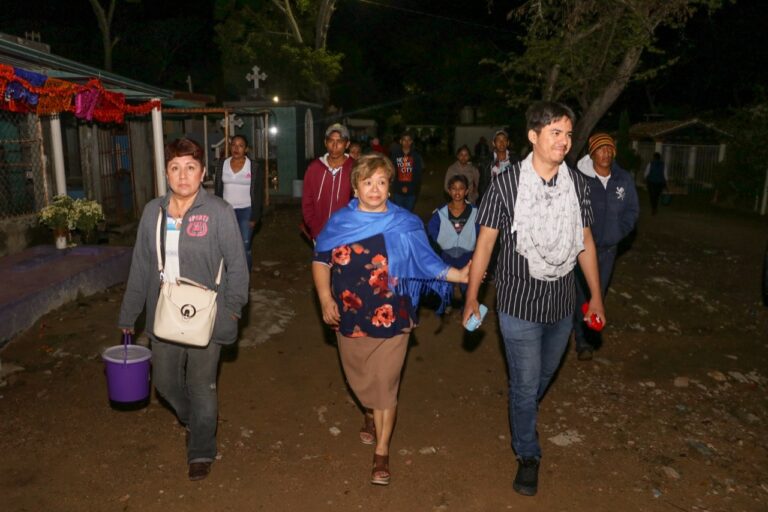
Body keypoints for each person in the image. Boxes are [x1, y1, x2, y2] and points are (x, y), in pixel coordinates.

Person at [462, 102, 605, 497]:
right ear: (533, 136)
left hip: (561, 304)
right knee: (526, 386)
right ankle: (528, 454)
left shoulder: (577, 185)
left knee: (540, 378)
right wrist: (472, 297)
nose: (564, 141)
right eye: (556, 133)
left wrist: (595, 296)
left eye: (568, 134)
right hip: (519, 304)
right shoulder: (506, 185)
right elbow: (485, 244)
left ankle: (520, 412)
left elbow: (585, 242)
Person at [312, 153, 470, 486]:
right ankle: (368, 410)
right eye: (367, 182)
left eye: (382, 182)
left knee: (385, 385)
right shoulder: (339, 223)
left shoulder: (405, 223)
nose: (375, 188)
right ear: (356, 187)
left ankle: (382, 450)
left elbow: (428, 263)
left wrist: (461, 274)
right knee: (360, 379)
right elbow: (321, 260)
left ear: (389, 187)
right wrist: (326, 298)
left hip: (393, 315)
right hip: (350, 315)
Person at [118, 138, 249, 481]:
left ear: (203, 172)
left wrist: (232, 311)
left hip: (208, 313)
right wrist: (129, 315)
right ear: (166, 173)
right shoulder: (153, 212)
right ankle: (196, 420)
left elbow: (238, 267)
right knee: (164, 383)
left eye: (190, 167)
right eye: (175, 168)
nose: (183, 175)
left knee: (201, 383)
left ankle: (201, 450)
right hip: (164, 312)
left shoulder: (218, 212)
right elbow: (141, 266)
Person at [572, 133, 639, 360]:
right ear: (592, 153)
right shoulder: (579, 179)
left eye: (609, 149)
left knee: (598, 292)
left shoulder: (623, 179)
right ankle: (583, 342)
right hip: (581, 249)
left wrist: (618, 233)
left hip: (608, 250)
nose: (606, 154)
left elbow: (632, 210)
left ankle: (591, 333)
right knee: (582, 293)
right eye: (601, 149)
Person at [214, 134, 264, 271]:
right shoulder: (222, 164)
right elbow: (217, 189)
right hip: (226, 211)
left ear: (246, 149)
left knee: (245, 245)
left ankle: (244, 276)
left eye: (240, 146)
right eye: (234, 145)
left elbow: (259, 192)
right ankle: (228, 274)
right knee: (225, 245)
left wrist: (255, 217)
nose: (236, 148)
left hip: (246, 211)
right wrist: (217, 211)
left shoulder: (253, 167)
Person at [428, 174, 479, 301]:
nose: (457, 192)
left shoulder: (474, 212)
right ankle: (446, 305)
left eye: (461, 188)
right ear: (449, 191)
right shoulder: (441, 212)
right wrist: (442, 241)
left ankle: (466, 308)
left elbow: (481, 230)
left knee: (468, 284)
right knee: (445, 281)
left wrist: (473, 241)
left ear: (467, 191)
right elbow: (431, 228)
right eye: (454, 188)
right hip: (447, 254)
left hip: (467, 255)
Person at [301, 123, 354, 240]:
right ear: (325, 142)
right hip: (320, 233)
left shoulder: (355, 169)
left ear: (347, 144)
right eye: (331, 141)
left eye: (339, 141)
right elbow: (307, 201)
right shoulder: (314, 168)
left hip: (346, 234)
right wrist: (315, 227)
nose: (334, 145)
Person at [478, 129, 516, 202]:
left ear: (508, 143)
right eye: (498, 140)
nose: (501, 143)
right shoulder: (486, 162)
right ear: (493, 143)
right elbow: (483, 185)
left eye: (504, 140)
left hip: (511, 199)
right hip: (493, 199)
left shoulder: (515, 160)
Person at [389, 132, 424, 212]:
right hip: (398, 190)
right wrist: (400, 186)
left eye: (408, 140)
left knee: (408, 213)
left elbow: (418, 174)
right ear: (401, 141)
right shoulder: (395, 155)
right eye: (404, 140)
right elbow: (392, 172)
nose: (406, 142)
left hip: (411, 190)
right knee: (399, 213)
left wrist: (409, 187)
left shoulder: (416, 156)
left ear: (411, 142)